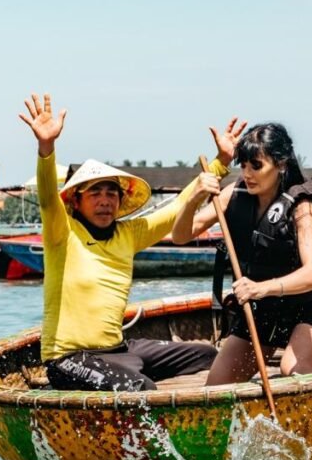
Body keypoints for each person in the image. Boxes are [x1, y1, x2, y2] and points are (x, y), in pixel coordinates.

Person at [18, 91, 217, 391]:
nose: (104, 201)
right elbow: (47, 199)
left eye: (111, 193)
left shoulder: (128, 234)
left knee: (207, 355)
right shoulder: (64, 231)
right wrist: (46, 147)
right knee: (140, 389)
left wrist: (220, 164)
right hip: (69, 359)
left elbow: (176, 209)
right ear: (77, 201)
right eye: (95, 193)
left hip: (118, 350)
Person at [172, 122, 312, 385]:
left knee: (294, 373)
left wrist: (260, 288)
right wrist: (192, 199)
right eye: (243, 165)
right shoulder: (235, 193)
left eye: (256, 166)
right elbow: (181, 235)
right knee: (217, 387)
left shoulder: (302, 205)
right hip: (264, 310)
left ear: (280, 164)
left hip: (310, 307)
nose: (248, 174)